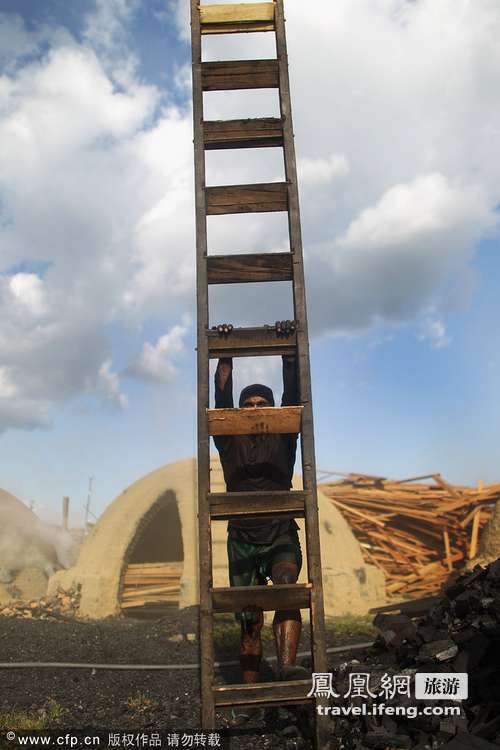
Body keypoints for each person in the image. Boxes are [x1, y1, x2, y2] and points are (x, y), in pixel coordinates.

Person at [213, 320, 307, 689]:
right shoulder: (228, 441)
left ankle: (286, 667)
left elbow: (293, 396)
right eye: (248, 404)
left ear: (271, 408)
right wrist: (225, 351)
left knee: (286, 586)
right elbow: (220, 398)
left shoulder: (284, 436)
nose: (255, 409)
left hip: (279, 530)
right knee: (249, 620)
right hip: (242, 538)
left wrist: (287, 351)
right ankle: (251, 692)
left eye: (262, 404)